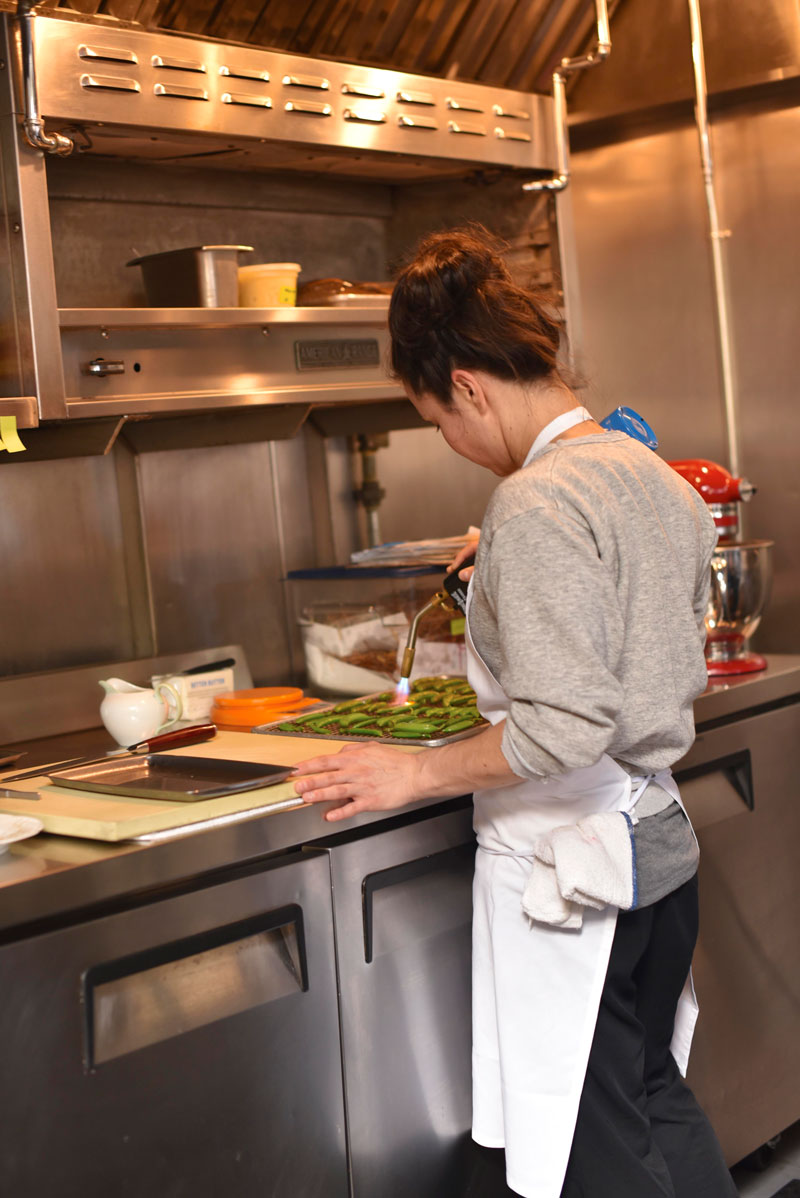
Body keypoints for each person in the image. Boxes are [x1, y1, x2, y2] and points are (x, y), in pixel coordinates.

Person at [292, 226, 737, 1198]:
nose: (450, 442)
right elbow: (618, 630)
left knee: (597, 1147)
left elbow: (563, 726)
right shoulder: (642, 474)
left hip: (573, 877)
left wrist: (408, 771)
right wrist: (500, 576)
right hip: (657, 851)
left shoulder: (534, 507)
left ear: (466, 385)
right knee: (653, 1094)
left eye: (436, 419)